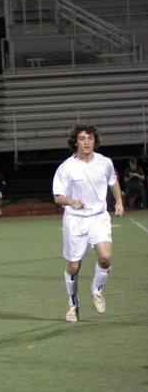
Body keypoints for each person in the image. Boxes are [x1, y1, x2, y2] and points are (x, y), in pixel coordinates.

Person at [52, 124, 124, 322]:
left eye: (90, 138)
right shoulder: (66, 167)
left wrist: (118, 201)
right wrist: (71, 201)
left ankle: (96, 288)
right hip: (75, 220)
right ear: (76, 141)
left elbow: (113, 181)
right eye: (82, 138)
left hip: (98, 217)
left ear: (95, 141)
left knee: (106, 257)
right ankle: (73, 303)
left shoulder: (105, 162)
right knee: (74, 266)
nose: (86, 142)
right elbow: (58, 196)